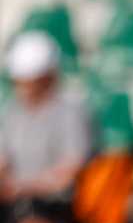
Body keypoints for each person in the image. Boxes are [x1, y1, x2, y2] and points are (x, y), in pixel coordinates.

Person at [0, 30, 93, 207]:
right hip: (16, 209)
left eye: (30, 81)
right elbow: (2, 161)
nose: (23, 88)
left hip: (55, 211)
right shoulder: (13, 115)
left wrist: (22, 188)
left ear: (49, 77)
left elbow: (69, 173)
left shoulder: (71, 114)